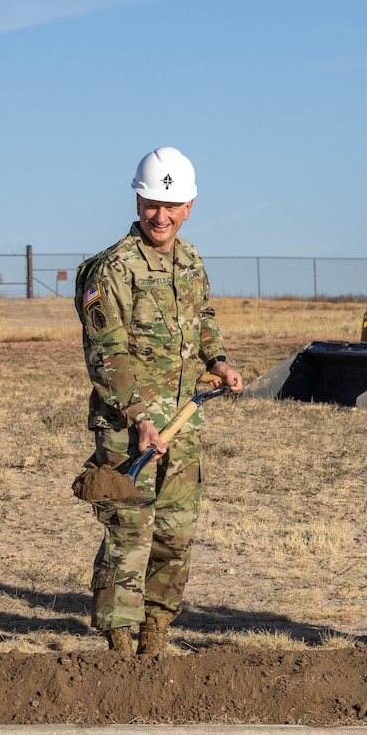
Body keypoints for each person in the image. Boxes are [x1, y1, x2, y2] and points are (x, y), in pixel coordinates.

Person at [74, 147, 243, 657]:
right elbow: (106, 354)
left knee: (175, 536)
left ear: (190, 205)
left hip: (184, 427)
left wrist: (217, 360)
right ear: (138, 199)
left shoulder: (190, 260)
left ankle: (155, 637)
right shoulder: (110, 270)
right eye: (152, 204)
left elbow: (204, 317)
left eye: (172, 206)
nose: (161, 216)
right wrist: (142, 419)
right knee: (128, 534)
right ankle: (120, 646)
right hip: (131, 430)